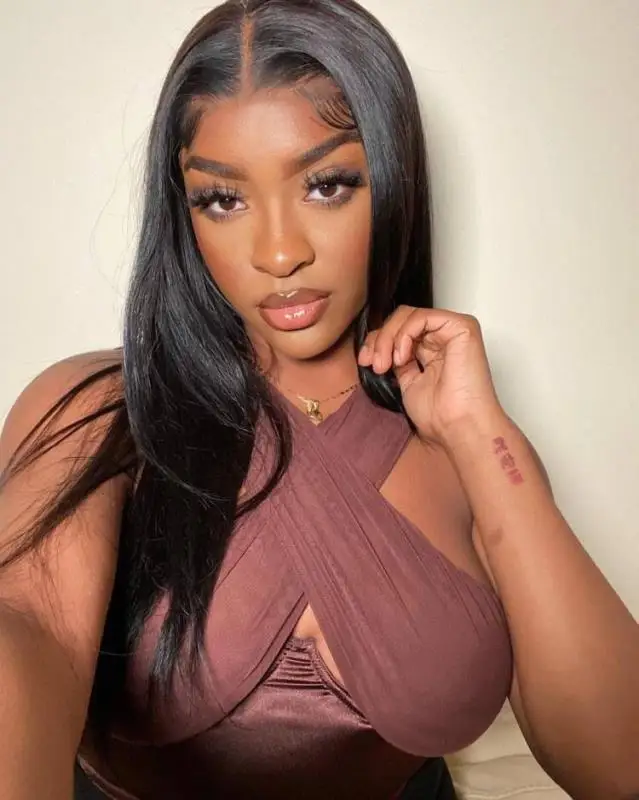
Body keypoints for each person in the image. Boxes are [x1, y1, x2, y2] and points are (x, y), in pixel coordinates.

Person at [1, 0, 638, 798]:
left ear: (393, 181)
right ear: (182, 212)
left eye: (327, 185)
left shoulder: (460, 437)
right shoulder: (100, 411)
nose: (278, 253)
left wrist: (481, 439)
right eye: (222, 199)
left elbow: (619, 766)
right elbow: (29, 624)